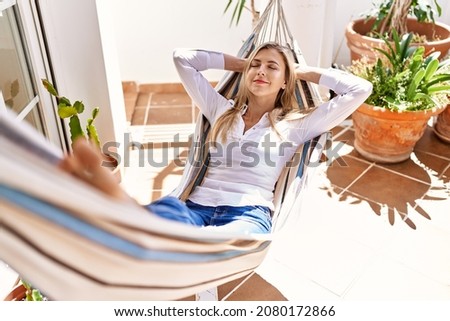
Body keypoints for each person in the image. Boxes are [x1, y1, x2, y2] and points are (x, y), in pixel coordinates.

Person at [61, 42, 372, 235]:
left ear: (285, 81)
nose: (260, 71)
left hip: (248, 213)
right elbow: (183, 58)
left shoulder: (297, 124)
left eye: (271, 68)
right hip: (196, 206)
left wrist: (300, 71)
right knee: (160, 214)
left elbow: (360, 89)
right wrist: (243, 64)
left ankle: (195, 249)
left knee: (235, 241)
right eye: (256, 65)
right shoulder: (221, 109)